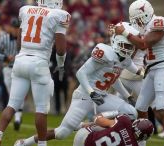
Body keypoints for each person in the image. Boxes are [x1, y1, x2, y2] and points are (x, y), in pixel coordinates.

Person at [14, 22, 144, 146]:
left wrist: (128, 97)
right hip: (85, 96)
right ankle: (25, 142)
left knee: (131, 112)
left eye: (130, 46)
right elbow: (81, 73)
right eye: (126, 46)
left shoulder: (124, 60)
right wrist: (91, 92)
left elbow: (113, 80)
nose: (129, 49)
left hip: (102, 97)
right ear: (116, 41)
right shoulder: (105, 53)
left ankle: (104, 135)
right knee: (62, 133)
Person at [0, 0, 70, 145]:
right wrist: (60, 65)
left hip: (20, 60)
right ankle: (41, 144)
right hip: (39, 63)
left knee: (12, 105)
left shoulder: (25, 10)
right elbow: (60, 50)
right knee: (41, 109)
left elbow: (19, 42)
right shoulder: (59, 15)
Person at [115, 0, 164, 145]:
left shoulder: (159, 22)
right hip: (151, 69)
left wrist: (124, 32)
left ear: (145, 13)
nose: (136, 22)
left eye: (137, 18)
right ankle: (142, 143)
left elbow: (143, 44)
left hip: (163, 67)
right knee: (141, 107)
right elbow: (136, 44)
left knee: (161, 108)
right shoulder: (145, 27)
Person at [0, 17, 23, 131]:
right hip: (7, 68)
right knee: (12, 93)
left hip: (19, 69)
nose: (16, 30)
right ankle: (18, 115)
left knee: (17, 93)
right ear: (10, 28)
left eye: (18, 28)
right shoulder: (4, 38)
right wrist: (5, 57)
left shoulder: (23, 38)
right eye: (14, 28)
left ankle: (17, 117)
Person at [73, 111, 154, 146]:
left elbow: (98, 119)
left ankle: (81, 125)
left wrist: (115, 112)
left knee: (110, 125)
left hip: (83, 137)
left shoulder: (124, 121)